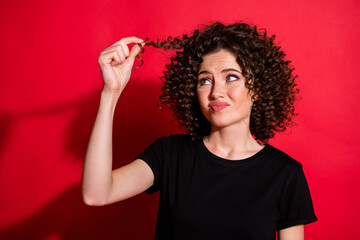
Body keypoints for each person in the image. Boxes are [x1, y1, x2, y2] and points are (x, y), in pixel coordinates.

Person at [82, 22, 317, 240]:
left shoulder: (286, 174)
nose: (216, 92)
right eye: (205, 80)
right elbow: (96, 194)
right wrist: (110, 93)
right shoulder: (170, 154)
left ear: (257, 89)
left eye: (231, 78)